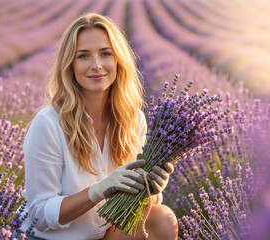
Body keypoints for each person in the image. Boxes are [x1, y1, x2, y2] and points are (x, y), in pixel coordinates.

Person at [13, 13, 178, 240]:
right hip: (44, 238)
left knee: (160, 218)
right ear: (70, 65)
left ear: (118, 60)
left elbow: (131, 205)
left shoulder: (133, 119)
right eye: (83, 56)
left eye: (105, 54)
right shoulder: (49, 123)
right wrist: (98, 191)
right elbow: (39, 215)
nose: (96, 65)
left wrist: (150, 190)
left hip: (101, 234)